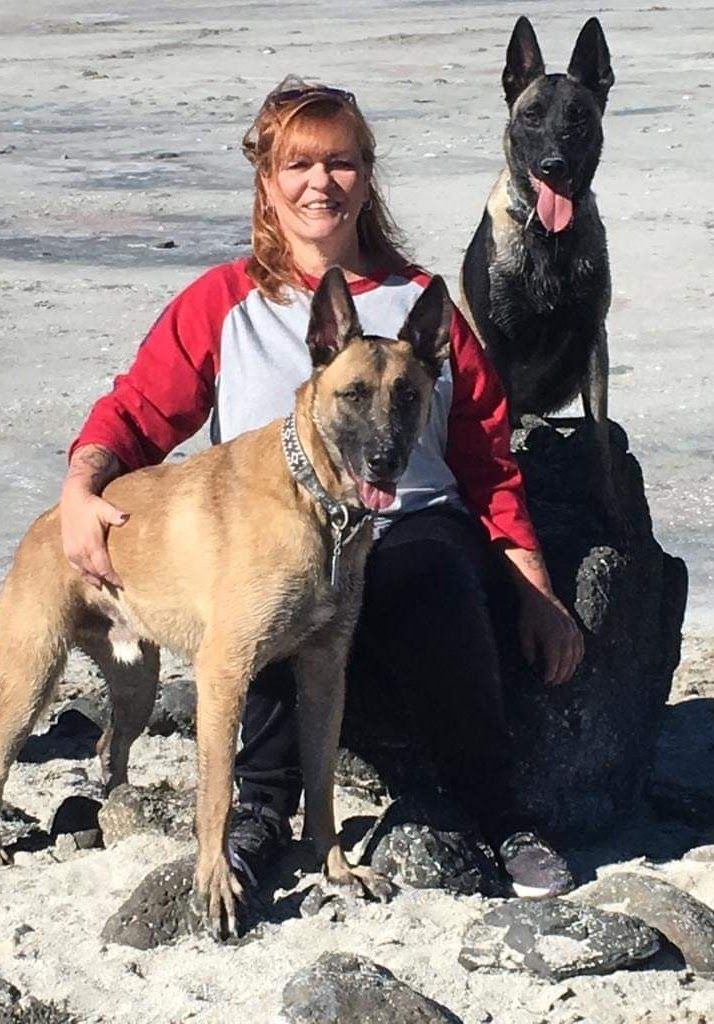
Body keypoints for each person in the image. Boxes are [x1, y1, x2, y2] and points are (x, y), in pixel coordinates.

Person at [61, 77, 584, 898]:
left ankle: (496, 811)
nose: (320, 182)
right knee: (259, 584)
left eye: (340, 162)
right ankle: (261, 811)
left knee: (430, 573)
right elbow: (134, 415)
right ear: (268, 183)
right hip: (280, 527)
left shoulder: (421, 305)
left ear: (367, 178)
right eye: (297, 164)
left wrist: (537, 591)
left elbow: (489, 462)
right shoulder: (223, 303)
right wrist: (80, 491)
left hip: (407, 530)